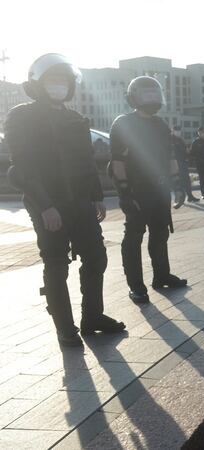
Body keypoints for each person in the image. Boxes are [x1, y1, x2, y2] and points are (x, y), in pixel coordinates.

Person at [5, 53, 125, 346]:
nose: (58, 86)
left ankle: (92, 317)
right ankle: (65, 327)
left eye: (63, 81)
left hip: (80, 201)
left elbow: (85, 162)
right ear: (38, 83)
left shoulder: (75, 118)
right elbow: (22, 166)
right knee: (57, 263)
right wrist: (45, 205)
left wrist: (97, 197)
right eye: (53, 80)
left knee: (96, 256)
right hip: (47, 203)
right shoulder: (22, 116)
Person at [109, 76, 188, 304]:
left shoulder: (160, 125)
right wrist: (124, 192)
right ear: (134, 97)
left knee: (160, 233)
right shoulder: (123, 123)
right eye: (147, 94)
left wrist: (178, 185)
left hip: (159, 189)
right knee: (134, 237)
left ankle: (162, 276)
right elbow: (117, 162)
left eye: (155, 94)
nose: (152, 98)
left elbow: (170, 156)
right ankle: (136, 287)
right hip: (135, 190)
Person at [171, 126, 198, 203]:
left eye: (179, 130)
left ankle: (190, 196)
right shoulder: (170, 139)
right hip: (175, 163)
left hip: (183, 162)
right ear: (173, 131)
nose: (178, 132)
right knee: (179, 181)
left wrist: (187, 154)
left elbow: (185, 150)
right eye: (176, 130)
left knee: (186, 180)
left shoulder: (180, 139)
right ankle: (180, 198)